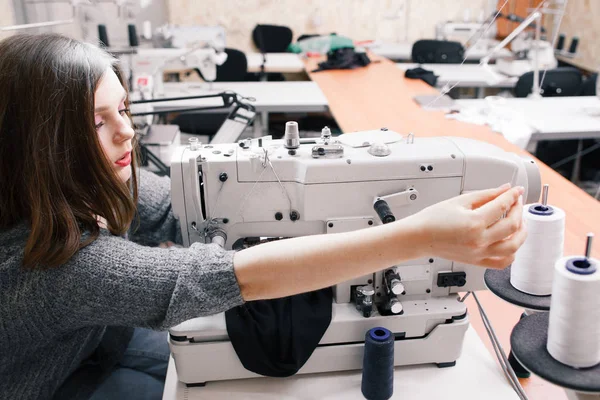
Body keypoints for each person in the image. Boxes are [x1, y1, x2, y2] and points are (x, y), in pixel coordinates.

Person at [0, 33, 526, 400]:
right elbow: (224, 277)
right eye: (97, 122)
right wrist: (417, 236)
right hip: (65, 383)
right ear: (42, 145)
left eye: (125, 110)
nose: (127, 133)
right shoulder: (55, 268)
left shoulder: (70, 190)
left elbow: (174, 208)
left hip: (101, 340)